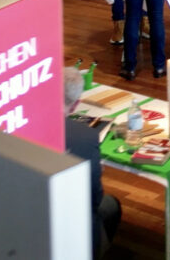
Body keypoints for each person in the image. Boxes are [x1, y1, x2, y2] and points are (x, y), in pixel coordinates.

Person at [63, 68, 121, 257]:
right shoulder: (86, 136)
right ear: (75, 105)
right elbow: (95, 197)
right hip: (76, 229)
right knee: (110, 205)